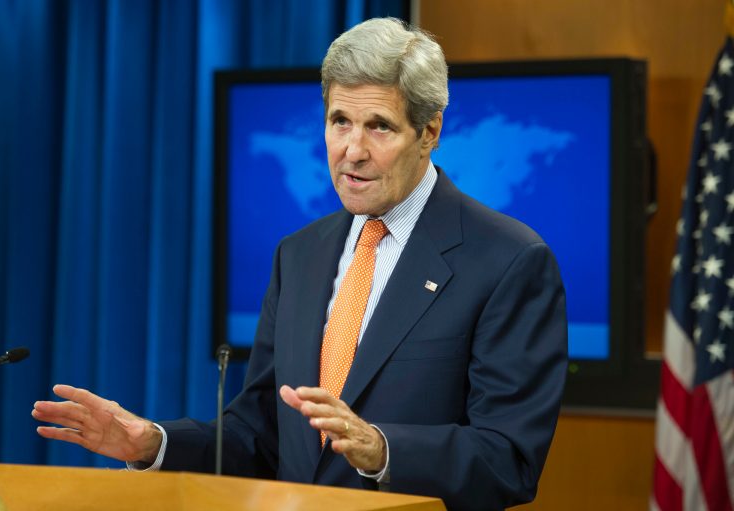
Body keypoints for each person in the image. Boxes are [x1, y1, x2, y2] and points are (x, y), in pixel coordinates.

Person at [32, 17, 568, 511]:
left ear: (429, 132)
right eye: (340, 121)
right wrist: (154, 442)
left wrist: (382, 449)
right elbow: (258, 435)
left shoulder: (509, 261)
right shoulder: (300, 254)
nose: (352, 150)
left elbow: (508, 459)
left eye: (379, 126)